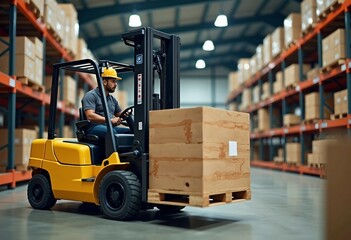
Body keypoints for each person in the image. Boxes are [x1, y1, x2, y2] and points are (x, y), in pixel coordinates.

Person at [81, 67, 132, 140]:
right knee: (112, 133)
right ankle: (111, 151)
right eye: (113, 81)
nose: (116, 84)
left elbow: (121, 114)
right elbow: (90, 116)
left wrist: (129, 117)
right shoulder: (91, 95)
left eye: (116, 82)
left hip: (109, 127)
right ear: (104, 82)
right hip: (94, 127)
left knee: (131, 132)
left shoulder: (112, 99)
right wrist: (110, 120)